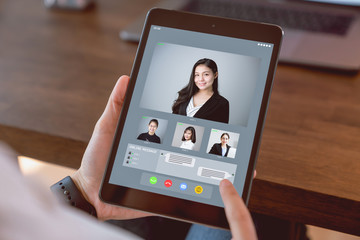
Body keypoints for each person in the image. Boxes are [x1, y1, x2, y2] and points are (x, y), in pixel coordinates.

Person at [0, 76, 257, 240]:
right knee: (236, 211)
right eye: (197, 74)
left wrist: (83, 191)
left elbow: (29, 217)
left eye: (206, 74)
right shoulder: (181, 106)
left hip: (94, 206)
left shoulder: (220, 105)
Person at [172, 58, 230, 124]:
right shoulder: (184, 94)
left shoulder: (222, 103)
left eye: (206, 74)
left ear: (215, 75)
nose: (200, 79)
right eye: (197, 75)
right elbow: (173, 120)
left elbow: (220, 129)